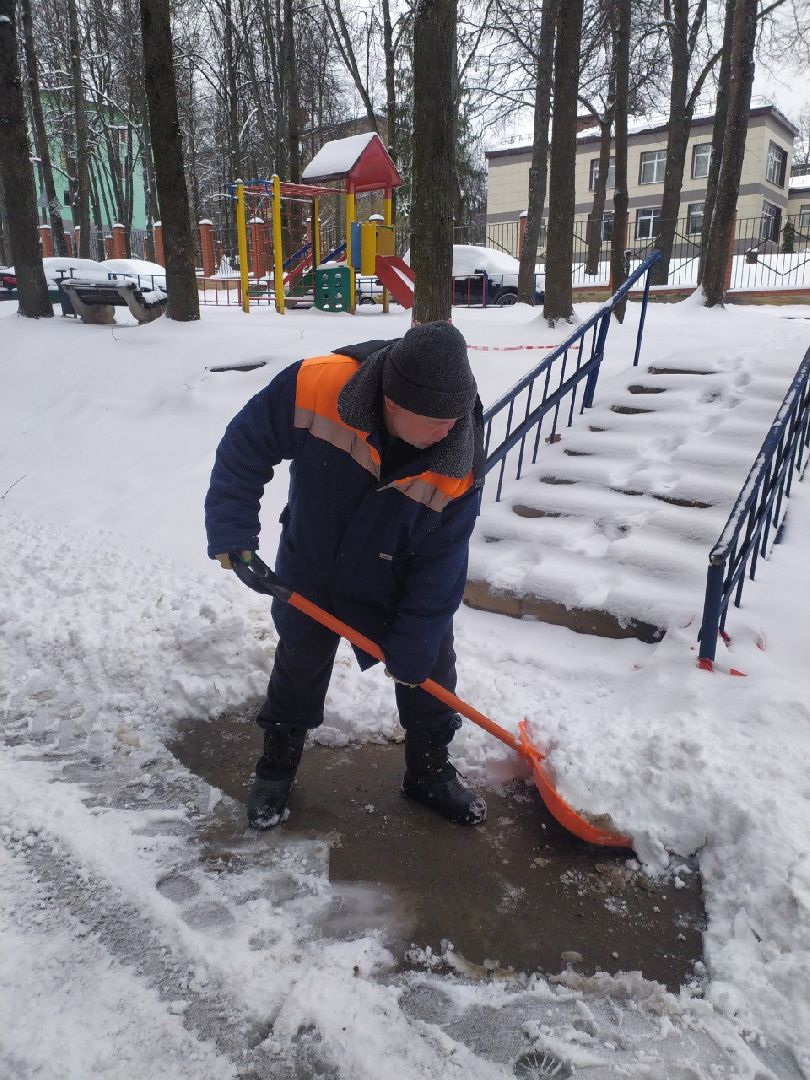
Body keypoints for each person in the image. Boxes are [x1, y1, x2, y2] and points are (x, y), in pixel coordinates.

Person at [205, 321, 487, 830]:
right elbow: (245, 447)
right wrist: (233, 531)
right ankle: (276, 766)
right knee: (299, 661)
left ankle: (427, 771)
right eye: (436, 420)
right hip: (312, 563)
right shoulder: (319, 384)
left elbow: (444, 559)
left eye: (456, 415)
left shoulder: (458, 453)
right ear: (392, 403)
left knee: (428, 667)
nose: (451, 428)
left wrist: (416, 639)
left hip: (398, 577)